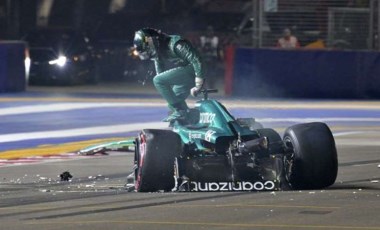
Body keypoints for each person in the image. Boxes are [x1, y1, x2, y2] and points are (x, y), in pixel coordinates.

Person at [132, 28, 205, 122]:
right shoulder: (158, 48)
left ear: (152, 41)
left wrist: (199, 83)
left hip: (195, 70)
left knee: (158, 81)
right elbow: (160, 72)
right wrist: (167, 89)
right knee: (172, 101)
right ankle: (191, 118)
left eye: (148, 47)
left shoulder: (176, 44)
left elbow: (197, 60)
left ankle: (181, 111)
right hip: (189, 72)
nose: (149, 51)